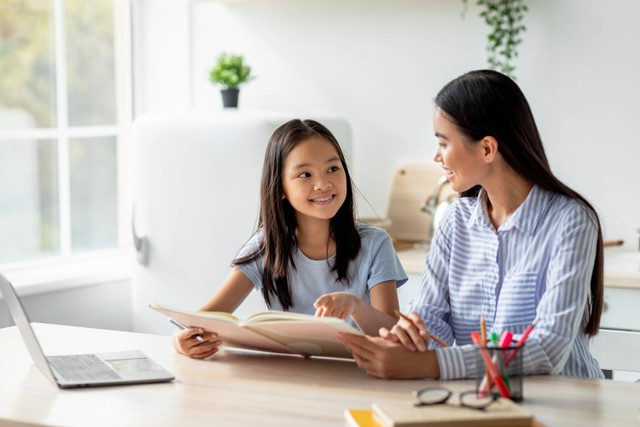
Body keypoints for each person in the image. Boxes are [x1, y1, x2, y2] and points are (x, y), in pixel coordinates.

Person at [337, 69, 605, 380]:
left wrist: (429, 364)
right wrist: (410, 336)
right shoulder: (456, 220)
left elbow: (547, 349)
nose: (437, 156)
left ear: (488, 149)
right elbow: (432, 320)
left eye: (443, 143)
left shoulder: (570, 221)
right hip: (481, 403)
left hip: (568, 406)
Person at [173, 118, 407, 359]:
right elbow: (201, 321)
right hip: (285, 375)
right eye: (305, 174)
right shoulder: (267, 246)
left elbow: (392, 334)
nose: (323, 184)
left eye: (333, 169)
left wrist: (356, 306)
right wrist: (181, 340)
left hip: (356, 375)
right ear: (281, 188)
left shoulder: (375, 244)